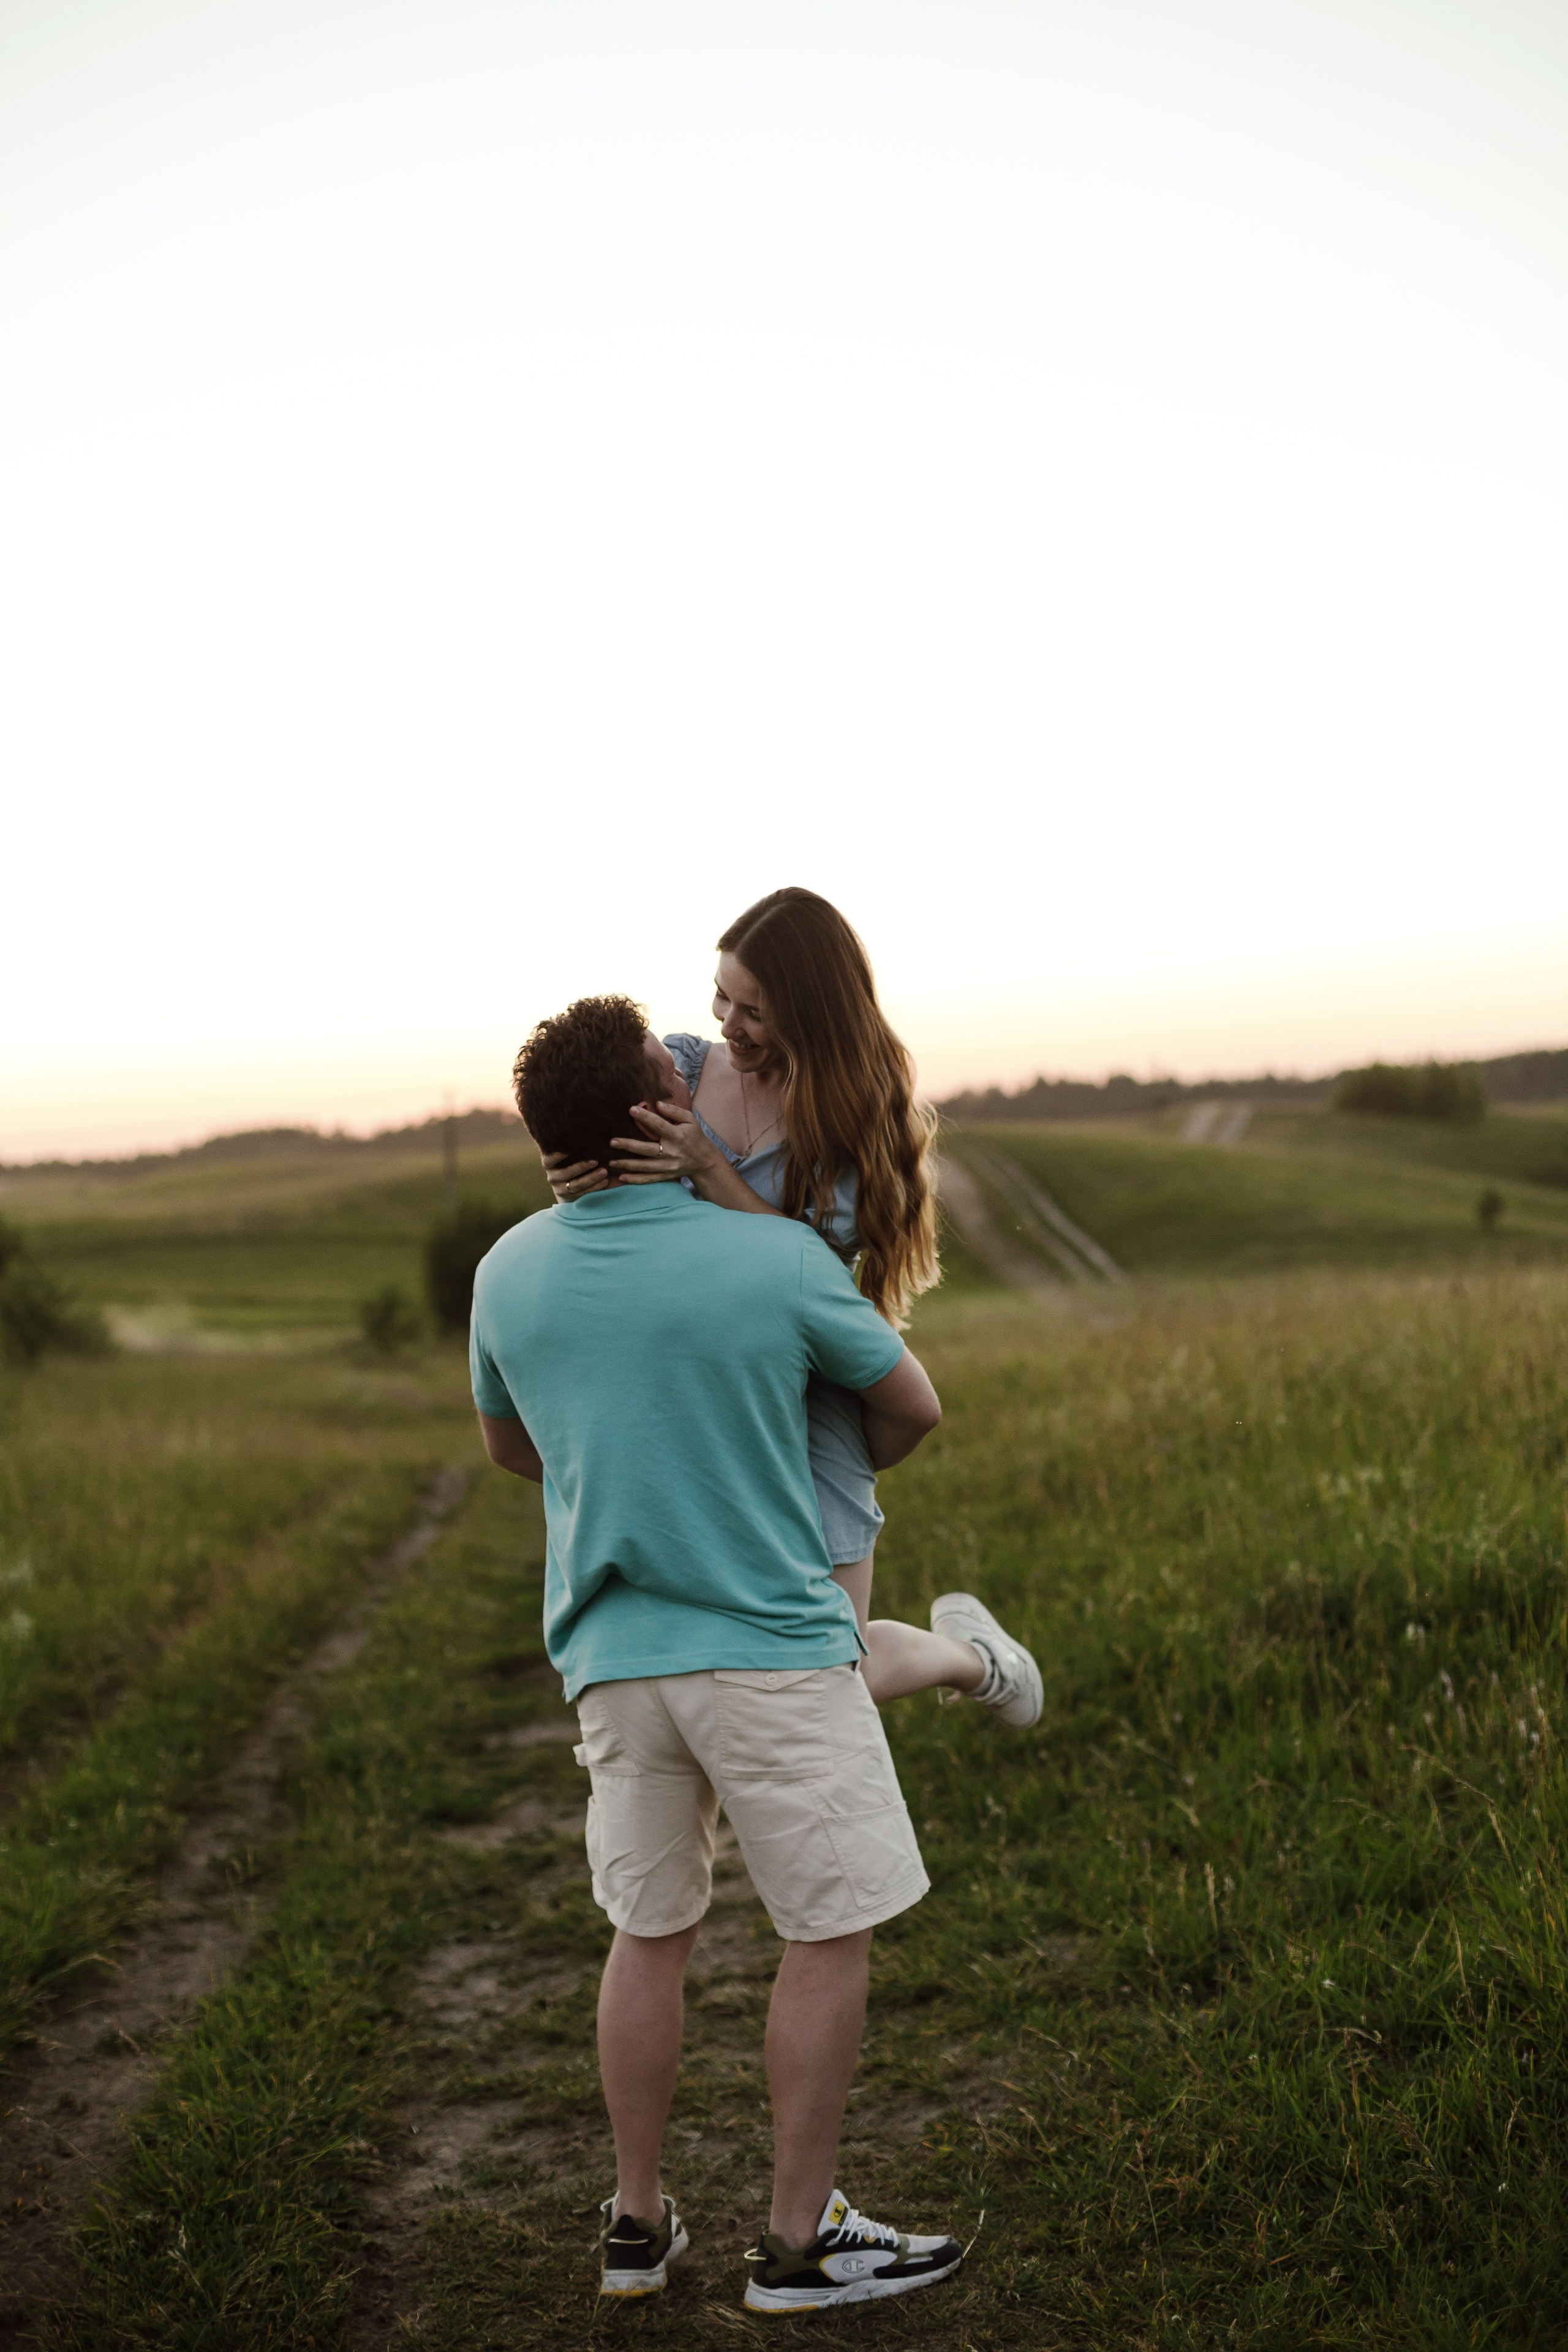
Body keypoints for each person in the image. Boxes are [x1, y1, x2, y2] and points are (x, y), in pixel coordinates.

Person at [473, 994, 965, 2310]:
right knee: (826, 1930)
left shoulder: (504, 1272)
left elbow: (515, 1450)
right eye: (675, 1072)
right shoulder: (777, 1261)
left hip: (611, 1664)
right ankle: (799, 2248)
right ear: (657, 1114)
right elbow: (908, 1408)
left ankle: (635, 2225)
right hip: (769, 1648)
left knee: (648, 1933)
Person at [543, 887, 1042, 1728]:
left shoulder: (847, 1125)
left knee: (831, 1668)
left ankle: (976, 1660)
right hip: (689, 1391)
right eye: (722, 999)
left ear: (813, 1016)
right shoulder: (682, 1069)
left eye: (755, 1012)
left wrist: (710, 1167)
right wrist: (566, 1182)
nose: (728, 1025)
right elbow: (607, 1200)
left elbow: (800, 1270)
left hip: (798, 1395)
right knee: (710, 1659)